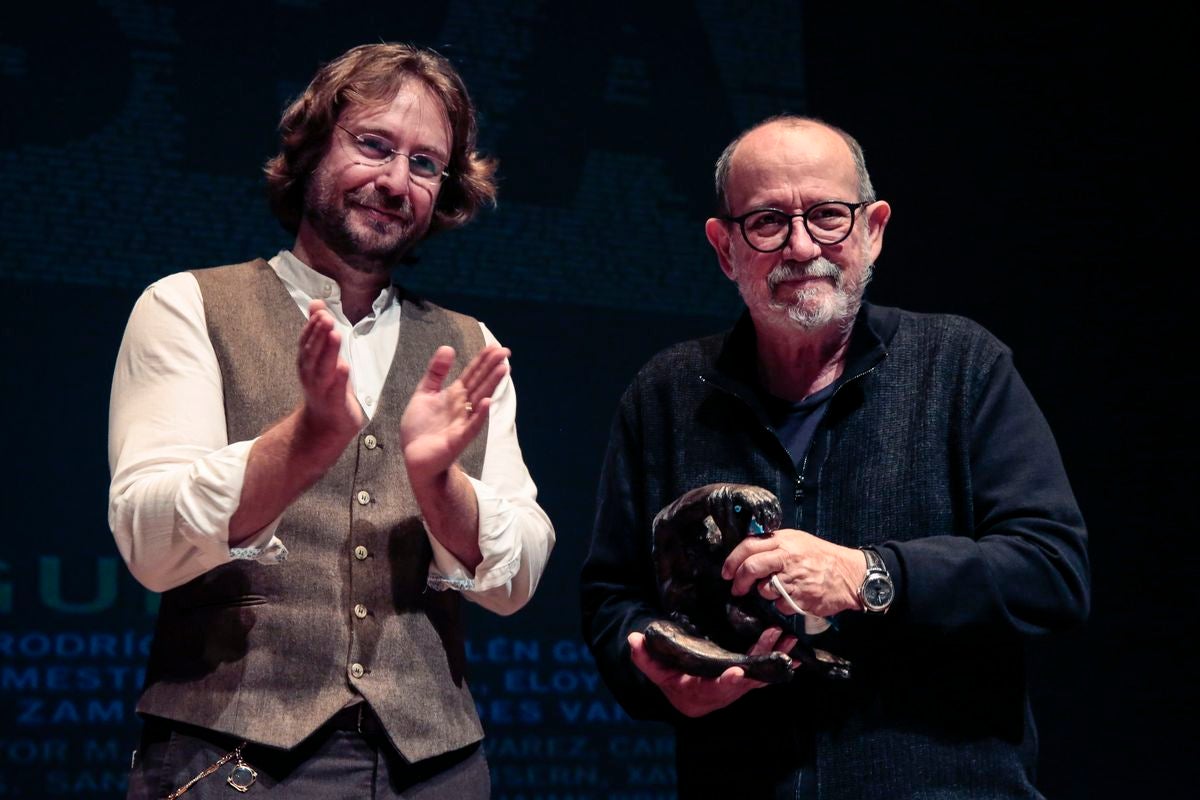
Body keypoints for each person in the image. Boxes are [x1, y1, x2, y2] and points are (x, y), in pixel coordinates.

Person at [580, 115, 1088, 799]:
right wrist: (664, 677)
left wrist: (873, 576)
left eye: (827, 216)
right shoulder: (667, 394)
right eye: (765, 222)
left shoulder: (961, 367)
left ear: (873, 229)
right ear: (724, 247)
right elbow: (613, 600)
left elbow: (1053, 571)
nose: (800, 246)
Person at [108, 43, 554, 798]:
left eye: (423, 164)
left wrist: (437, 481)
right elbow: (150, 544)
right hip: (235, 759)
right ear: (313, 147)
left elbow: (519, 578)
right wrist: (306, 440)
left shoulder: (466, 344)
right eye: (373, 146)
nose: (393, 181)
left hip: (436, 766)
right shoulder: (186, 306)